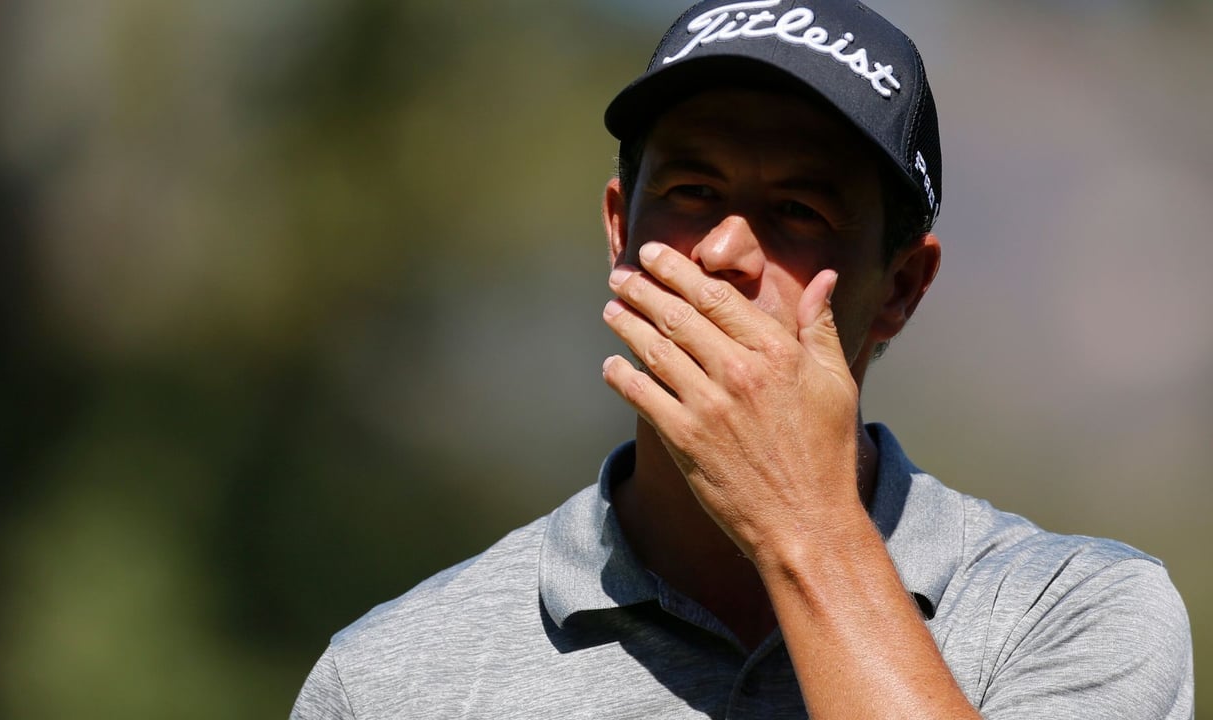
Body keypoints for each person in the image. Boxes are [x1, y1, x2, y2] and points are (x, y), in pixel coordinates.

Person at [290, 1, 1194, 717]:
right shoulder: (393, 679)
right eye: (690, 191)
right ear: (619, 233)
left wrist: (803, 528)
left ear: (901, 289)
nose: (724, 250)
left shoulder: (1073, 612)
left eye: (799, 209)